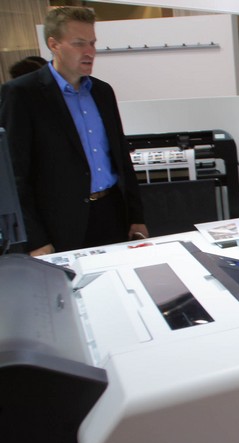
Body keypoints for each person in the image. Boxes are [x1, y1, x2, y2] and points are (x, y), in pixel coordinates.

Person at [0, 7, 147, 256]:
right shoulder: (22, 94)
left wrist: (136, 217)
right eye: (79, 43)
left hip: (112, 215)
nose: (90, 52)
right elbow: (15, 176)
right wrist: (35, 239)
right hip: (58, 225)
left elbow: (121, 159)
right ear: (54, 44)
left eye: (92, 43)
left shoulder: (102, 92)